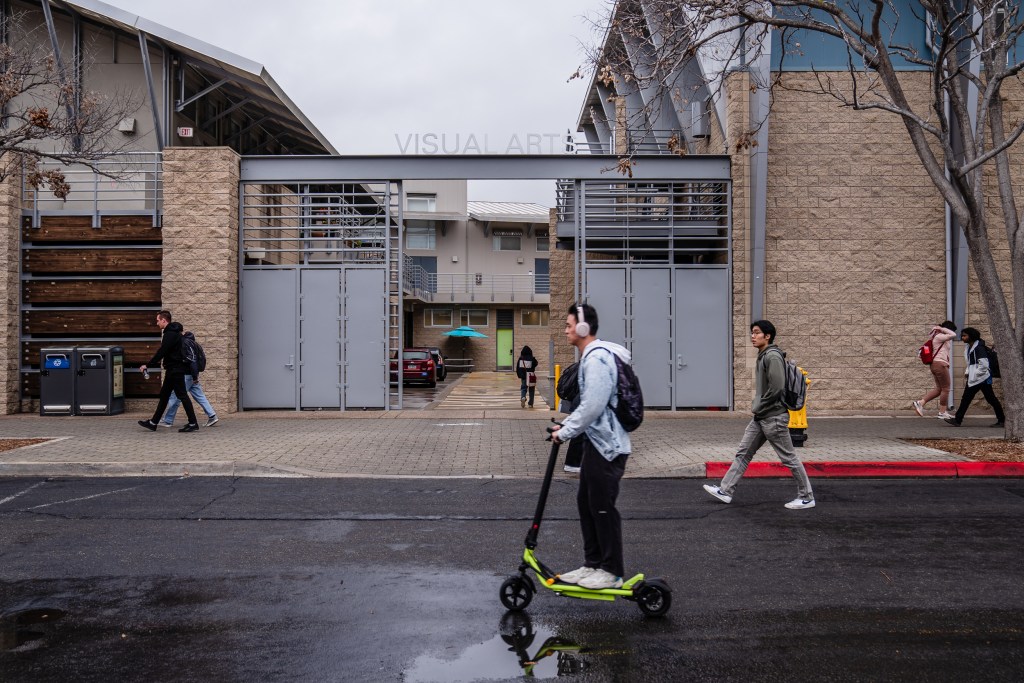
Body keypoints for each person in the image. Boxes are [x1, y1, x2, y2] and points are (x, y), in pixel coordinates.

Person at [550, 303, 632, 590]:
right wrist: (566, 425)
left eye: (569, 325)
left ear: (583, 327)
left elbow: (593, 406)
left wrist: (566, 432)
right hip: (597, 444)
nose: (566, 330)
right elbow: (588, 406)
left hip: (608, 447)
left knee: (601, 507)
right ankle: (592, 564)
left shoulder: (596, 359)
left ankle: (611, 571)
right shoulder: (592, 357)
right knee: (587, 504)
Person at [703, 320, 815, 510]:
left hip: (774, 417)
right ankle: (725, 490)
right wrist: (760, 409)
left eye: (756, 333)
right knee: (743, 453)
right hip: (762, 417)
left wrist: (759, 404)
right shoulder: (763, 355)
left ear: (767, 336)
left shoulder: (772, 356)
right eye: (752, 333)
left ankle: (807, 497)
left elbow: (777, 387)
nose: (752, 336)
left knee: (789, 458)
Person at [137, 310, 199, 433]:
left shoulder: (170, 334)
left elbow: (162, 351)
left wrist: (147, 365)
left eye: (158, 320)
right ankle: (153, 423)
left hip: (175, 370)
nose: (157, 323)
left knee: (182, 395)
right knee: (165, 396)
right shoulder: (175, 333)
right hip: (173, 369)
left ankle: (193, 423)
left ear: (164, 320)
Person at [945, 327, 1005, 428]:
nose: (962, 338)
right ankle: (958, 419)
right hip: (976, 378)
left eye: (965, 336)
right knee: (984, 399)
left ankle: (958, 420)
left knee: (977, 399)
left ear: (971, 336)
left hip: (981, 378)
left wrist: (975, 374)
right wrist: (969, 372)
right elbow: (970, 363)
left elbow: (984, 364)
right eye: (962, 336)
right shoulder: (970, 347)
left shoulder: (979, 348)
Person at [913, 321, 957, 420]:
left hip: (936, 364)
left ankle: (920, 403)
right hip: (940, 364)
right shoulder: (939, 336)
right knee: (946, 388)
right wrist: (942, 329)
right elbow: (953, 335)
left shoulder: (940, 337)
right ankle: (942, 412)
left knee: (939, 389)